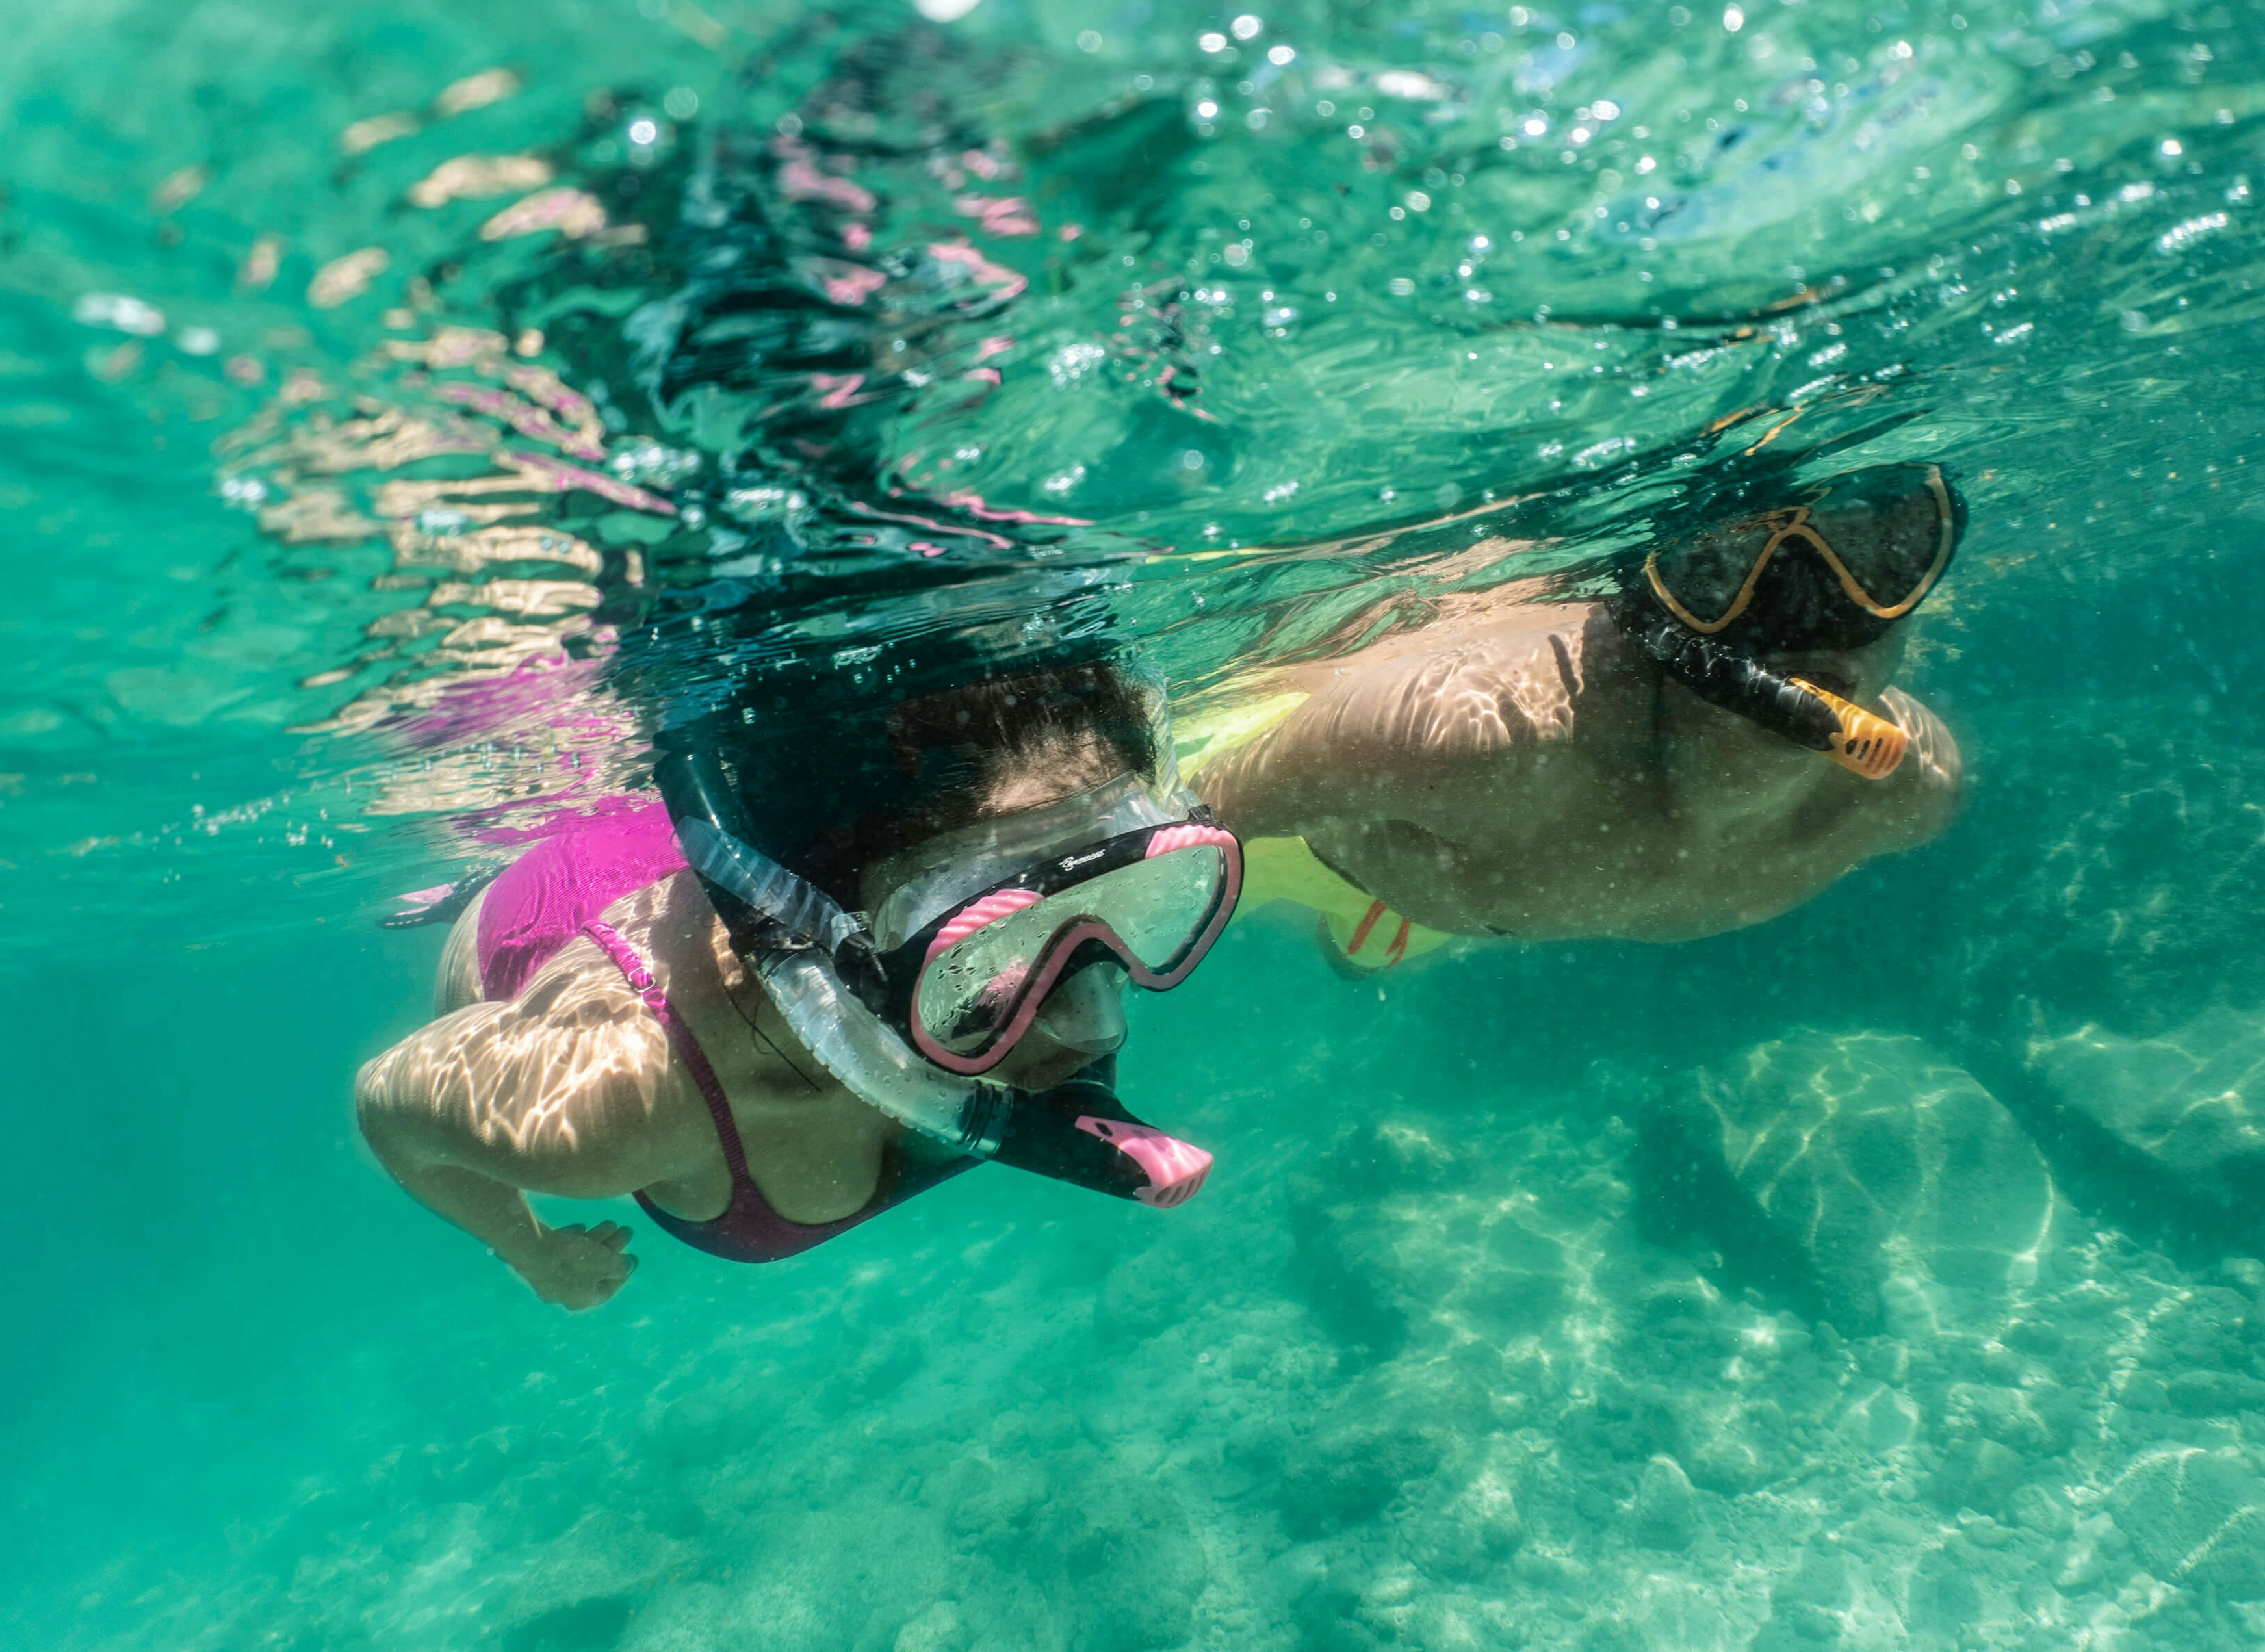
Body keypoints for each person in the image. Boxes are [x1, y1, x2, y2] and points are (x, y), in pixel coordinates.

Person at [357, 660, 1241, 1309]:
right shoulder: (623, 1094)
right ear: (846, 943)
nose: (1097, 1026)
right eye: (1001, 940)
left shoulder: (1018, 892)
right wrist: (530, 1250)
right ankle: (480, 873)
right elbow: (385, 1110)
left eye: (1132, 900)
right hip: (552, 901)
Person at [1186, 462, 1967, 964]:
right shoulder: (1467, 736)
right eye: (1720, 567)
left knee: (1371, 956)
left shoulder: (1913, 789)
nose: (1802, 617)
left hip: (1450, 905)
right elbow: (1192, 819)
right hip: (1295, 842)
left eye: (1879, 559)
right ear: (1654, 599)